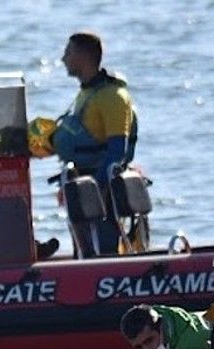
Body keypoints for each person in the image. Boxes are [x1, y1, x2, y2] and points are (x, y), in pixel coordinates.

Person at [51, 31, 138, 255]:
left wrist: (97, 189)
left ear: (83, 56)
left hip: (102, 192)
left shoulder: (112, 96)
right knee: (83, 249)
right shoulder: (86, 94)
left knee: (104, 247)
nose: (63, 59)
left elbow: (117, 150)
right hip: (79, 186)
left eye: (68, 52)